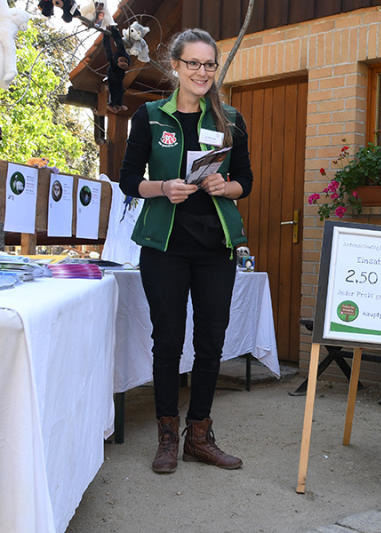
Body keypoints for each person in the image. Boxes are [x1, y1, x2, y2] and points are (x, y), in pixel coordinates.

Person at [120, 28, 254, 474]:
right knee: (168, 342)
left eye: (209, 64)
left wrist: (223, 185)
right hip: (164, 247)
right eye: (193, 63)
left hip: (216, 247)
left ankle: (199, 435)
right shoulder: (149, 116)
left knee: (211, 342)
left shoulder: (230, 118)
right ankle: (166, 438)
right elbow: (127, 180)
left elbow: (245, 184)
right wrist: (162, 188)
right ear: (175, 66)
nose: (202, 72)